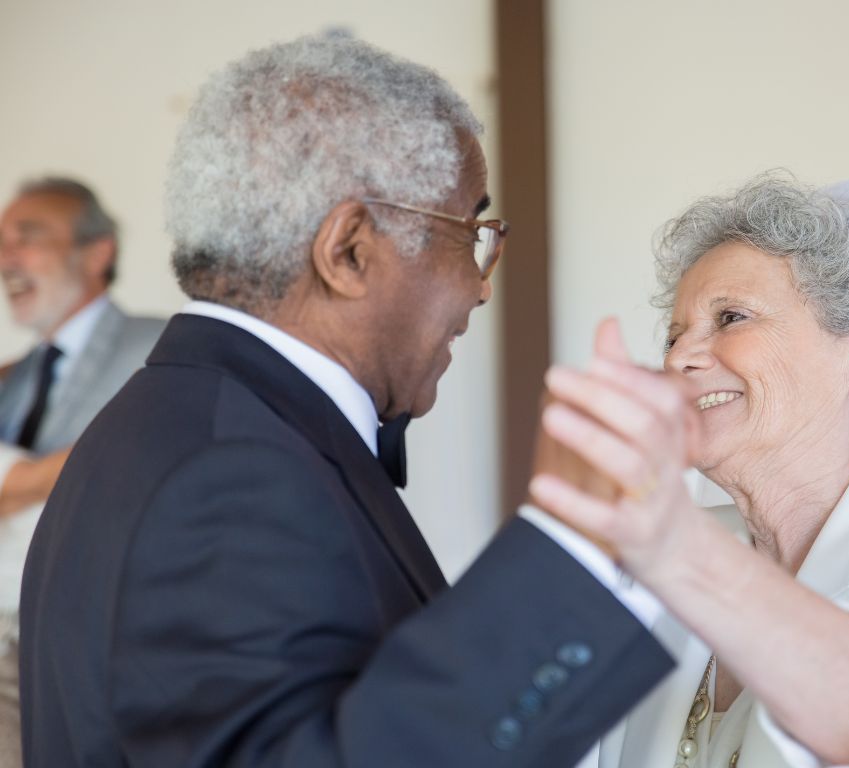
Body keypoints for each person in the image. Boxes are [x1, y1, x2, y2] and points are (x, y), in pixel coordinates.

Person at [19, 34, 674, 767]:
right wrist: (572, 554)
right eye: (471, 233)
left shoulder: (185, 422)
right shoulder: (230, 473)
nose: (481, 284)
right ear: (350, 251)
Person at [531, 175, 849, 767]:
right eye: (674, 334)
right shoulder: (643, 567)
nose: (679, 358)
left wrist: (678, 551)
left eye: (731, 317)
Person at [0, 177, 164, 765]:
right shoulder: (12, 376)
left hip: (113, 646)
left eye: (28, 236)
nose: (5, 257)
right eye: (0, 241)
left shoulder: (162, 346)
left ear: (98, 252)